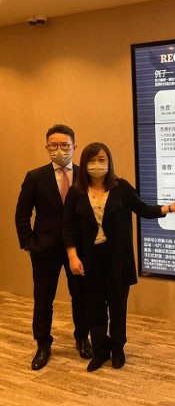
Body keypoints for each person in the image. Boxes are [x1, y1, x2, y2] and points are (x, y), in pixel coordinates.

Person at [63, 142, 175, 372]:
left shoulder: (121, 187)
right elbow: (68, 227)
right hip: (89, 259)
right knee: (94, 307)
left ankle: (117, 348)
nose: (96, 165)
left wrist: (169, 208)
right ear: (84, 164)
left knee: (118, 305)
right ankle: (100, 349)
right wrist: (72, 256)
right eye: (91, 160)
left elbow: (143, 209)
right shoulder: (76, 192)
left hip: (118, 259)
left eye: (101, 160)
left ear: (109, 162)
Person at [15, 124, 93, 370]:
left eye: (65, 145)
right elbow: (22, 214)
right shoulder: (35, 177)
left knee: (80, 296)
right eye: (54, 145)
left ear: (74, 146)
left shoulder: (85, 175)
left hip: (78, 250)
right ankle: (43, 344)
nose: (60, 149)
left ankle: (82, 338)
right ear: (47, 146)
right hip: (44, 249)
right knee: (43, 298)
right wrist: (29, 243)